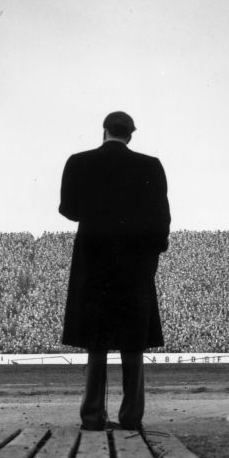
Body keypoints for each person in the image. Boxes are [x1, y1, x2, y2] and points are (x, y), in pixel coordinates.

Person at [59, 111, 170, 431]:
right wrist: (152, 256)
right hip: (135, 266)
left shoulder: (78, 162)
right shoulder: (151, 165)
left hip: (94, 263)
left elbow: (69, 209)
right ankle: (131, 417)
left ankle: (92, 416)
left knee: (97, 342)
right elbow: (162, 218)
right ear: (130, 135)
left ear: (105, 131)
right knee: (133, 343)